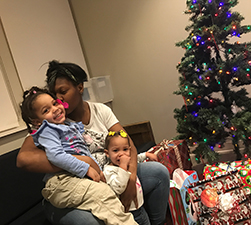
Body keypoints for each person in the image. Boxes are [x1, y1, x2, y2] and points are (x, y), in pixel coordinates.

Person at [16, 60, 170, 225]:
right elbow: (23, 159)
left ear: (80, 87)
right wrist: (85, 162)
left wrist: (130, 180)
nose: (59, 100)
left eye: (63, 92)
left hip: (106, 176)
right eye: (55, 95)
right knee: (89, 221)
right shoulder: (52, 123)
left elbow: (127, 143)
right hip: (71, 187)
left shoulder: (99, 111)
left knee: (159, 173)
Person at [20, 86, 137, 225]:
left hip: (76, 178)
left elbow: (82, 151)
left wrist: (97, 170)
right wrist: (86, 168)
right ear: (37, 122)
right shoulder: (47, 131)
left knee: (108, 194)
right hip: (61, 182)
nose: (55, 108)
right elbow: (56, 156)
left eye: (54, 103)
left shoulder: (67, 126)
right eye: (46, 110)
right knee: (103, 195)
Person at [103, 130, 158, 225]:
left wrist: (146, 155)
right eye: (116, 150)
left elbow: (137, 158)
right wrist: (123, 167)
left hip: (140, 208)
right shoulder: (109, 170)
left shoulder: (128, 161)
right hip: (129, 213)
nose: (121, 154)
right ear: (107, 153)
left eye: (125, 149)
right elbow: (118, 188)